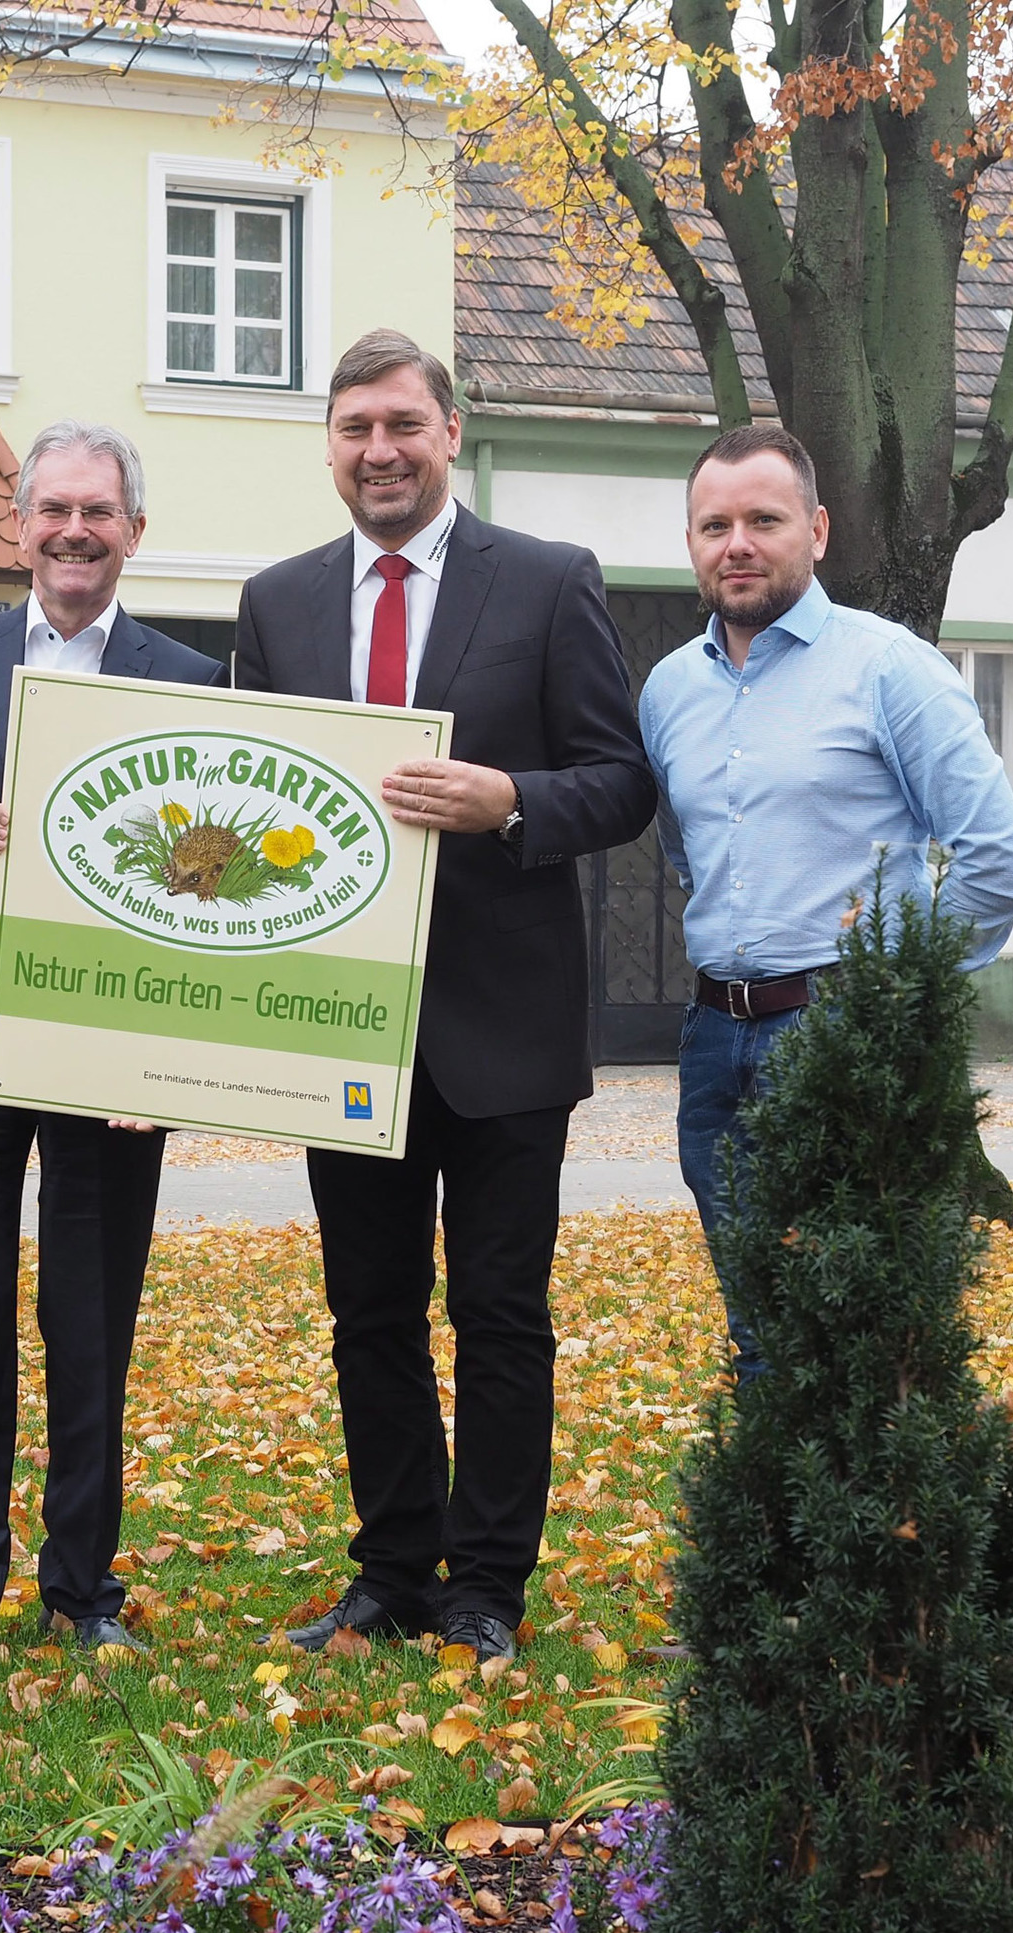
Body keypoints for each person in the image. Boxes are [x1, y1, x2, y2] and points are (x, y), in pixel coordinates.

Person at [235, 330, 656, 1663]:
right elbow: (244, 813)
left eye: (402, 425)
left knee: (498, 1316)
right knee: (367, 1317)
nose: (379, 450)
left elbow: (620, 782)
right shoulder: (276, 602)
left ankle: (485, 1586)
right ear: (329, 446)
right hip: (335, 1023)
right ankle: (390, 1575)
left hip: (502, 1022)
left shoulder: (544, 580)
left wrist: (509, 800)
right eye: (355, 428)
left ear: (449, 433)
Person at [0, 420, 226, 1685]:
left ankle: (82, 1587)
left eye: (97, 512)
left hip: (109, 1051)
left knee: (91, 1325)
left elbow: (206, 893)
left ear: (133, 531)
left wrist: (164, 1056)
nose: (74, 531)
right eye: (53, 509)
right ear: (18, 526)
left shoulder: (190, 677)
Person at [641, 422, 1013, 1380]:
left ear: (816, 531)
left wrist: (888, 989)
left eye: (764, 521)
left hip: (842, 1032)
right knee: (759, 1332)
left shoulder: (889, 668)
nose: (737, 544)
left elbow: (998, 861)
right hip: (714, 1043)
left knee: (863, 1339)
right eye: (714, 526)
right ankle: (773, 1482)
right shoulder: (667, 691)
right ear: (692, 543)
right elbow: (686, 848)